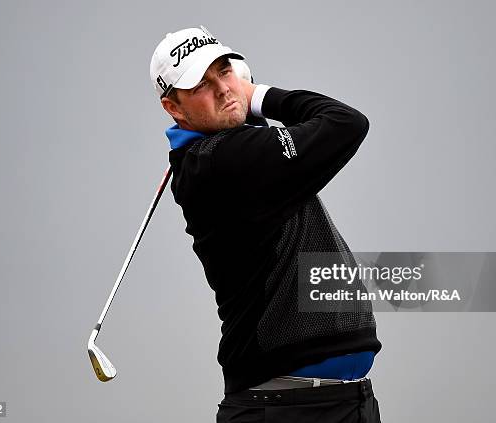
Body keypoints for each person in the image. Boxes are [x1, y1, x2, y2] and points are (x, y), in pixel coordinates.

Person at [150, 26, 382, 423]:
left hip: (346, 403)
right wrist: (257, 95)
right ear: (174, 107)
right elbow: (346, 122)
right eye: (202, 84)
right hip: (282, 410)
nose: (223, 88)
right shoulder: (220, 161)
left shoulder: (219, 155)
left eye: (224, 72)